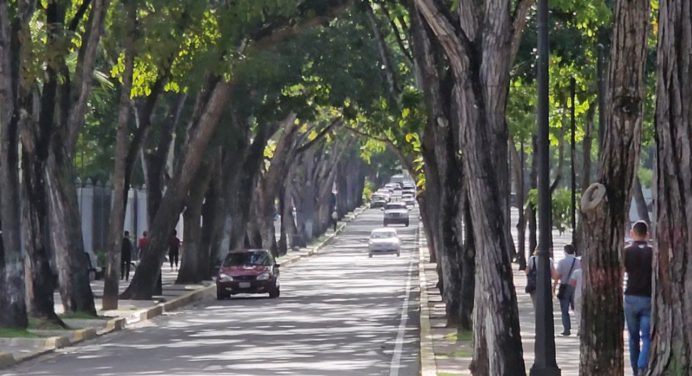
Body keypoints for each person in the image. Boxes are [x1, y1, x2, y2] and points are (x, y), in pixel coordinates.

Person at [624, 221, 653, 376]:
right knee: (647, 336)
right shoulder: (653, 252)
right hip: (648, 298)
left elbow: (622, 271)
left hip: (630, 297)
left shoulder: (627, 251)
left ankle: (636, 370)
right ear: (647, 234)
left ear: (632, 233)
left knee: (633, 337)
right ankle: (643, 364)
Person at [554, 243, 581, 336]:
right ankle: (580, 328)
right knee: (577, 309)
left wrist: (554, 288)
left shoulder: (561, 262)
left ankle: (567, 329)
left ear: (565, 252)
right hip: (576, 287)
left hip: (564, 286)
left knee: (564, 310)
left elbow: (557, 276)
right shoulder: (578, 262)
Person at [569, 267, 583, 336]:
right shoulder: (592, 271)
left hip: (578, 294)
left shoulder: (576, 272)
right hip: (590, 295)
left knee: (578, 312)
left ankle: (580, 328)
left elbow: (572, 284)